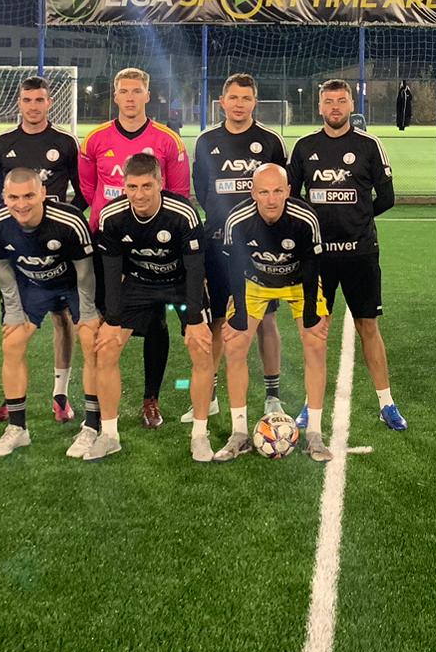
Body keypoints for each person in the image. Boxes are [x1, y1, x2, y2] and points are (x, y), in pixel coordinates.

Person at [77, 67, 190, 430]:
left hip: (153, 247)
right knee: (104, 321)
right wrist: (113, 221)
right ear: (115, 96)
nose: (130, 97)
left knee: (156, 321)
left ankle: (150, 398)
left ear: (147, 95)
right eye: (124, 91)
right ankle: (96, 405)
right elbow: (88, 190)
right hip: (108, 242)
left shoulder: (168, 140)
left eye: (136, 91)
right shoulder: (94, 139)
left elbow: (178, 194)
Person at [290, 79, 405, 431]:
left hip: (361, 253)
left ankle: (387, 403)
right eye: (329, 101)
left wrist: (359, 219)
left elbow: (387, 198)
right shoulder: (304, 147)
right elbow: (291, 198)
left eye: (341, 100)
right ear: (320, 107)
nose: (335, 107)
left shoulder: (369, 145)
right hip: (317, 258)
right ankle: (310, 404)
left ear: (352, 105)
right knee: (315, 329)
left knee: (368, 326)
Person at [94, 154, 213, 462]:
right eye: (132, 187)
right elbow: (111, 272)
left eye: (147, 186)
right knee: (106, 350)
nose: (139, 195)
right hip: (139, 283)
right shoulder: (112, 216)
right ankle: (109, 436)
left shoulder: (183, 214)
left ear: (160, 183)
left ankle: (200, 436)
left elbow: (196, 269)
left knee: (201, 348)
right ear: (124, 186)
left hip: (180, 282)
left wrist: (196, 320)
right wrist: (112, 320)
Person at [0, 75, 85, 427]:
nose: (33, 106)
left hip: (57, 247)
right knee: (12, 323)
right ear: (19, 103)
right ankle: (11, 399)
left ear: (49, 102)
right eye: (27, 100)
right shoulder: (2, 144)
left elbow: (82, 190)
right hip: (17, 249)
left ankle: (61, 395)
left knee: (63, 318)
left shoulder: (65, 142)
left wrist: (63, 222)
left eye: (40, 100)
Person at [214, 165, 332, 462]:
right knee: (235, 345)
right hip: (255, 283)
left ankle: (315, 434)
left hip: (298, 283)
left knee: (315, 344)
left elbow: (312, 267)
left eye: (278, 191)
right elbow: (234, 268)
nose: (271, 199)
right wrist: (239, 315)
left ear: (288, 191)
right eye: (264, 192)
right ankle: (239, 434)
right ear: (253, 193)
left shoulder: (305, 219)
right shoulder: (238, 220)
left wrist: (311, 315)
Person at [0, 169, 98, 459]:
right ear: (4, 196)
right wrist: (13, 313)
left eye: (29, 196)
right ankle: (17, 428)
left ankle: (92, 426)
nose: (21, 204)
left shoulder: (69, 221)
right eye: (13, 197)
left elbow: (85, 273)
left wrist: (87, 312)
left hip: (71, 284)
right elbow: (4, 273)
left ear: (43, 193)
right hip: (32, 287)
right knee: (12, 343)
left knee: (91, 341)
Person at [190, 73, 287, 421]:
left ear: (255, 102)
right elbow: (203, 190)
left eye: (246, 98)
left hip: (259, 249)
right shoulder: (206, 141)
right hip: (218, 245)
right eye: (233, 97)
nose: (239, 104)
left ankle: (273, 396)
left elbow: (281, 192)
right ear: (222, 102)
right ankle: (212, 393)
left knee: (265, 320)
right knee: (218, 319)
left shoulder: (270, 141)